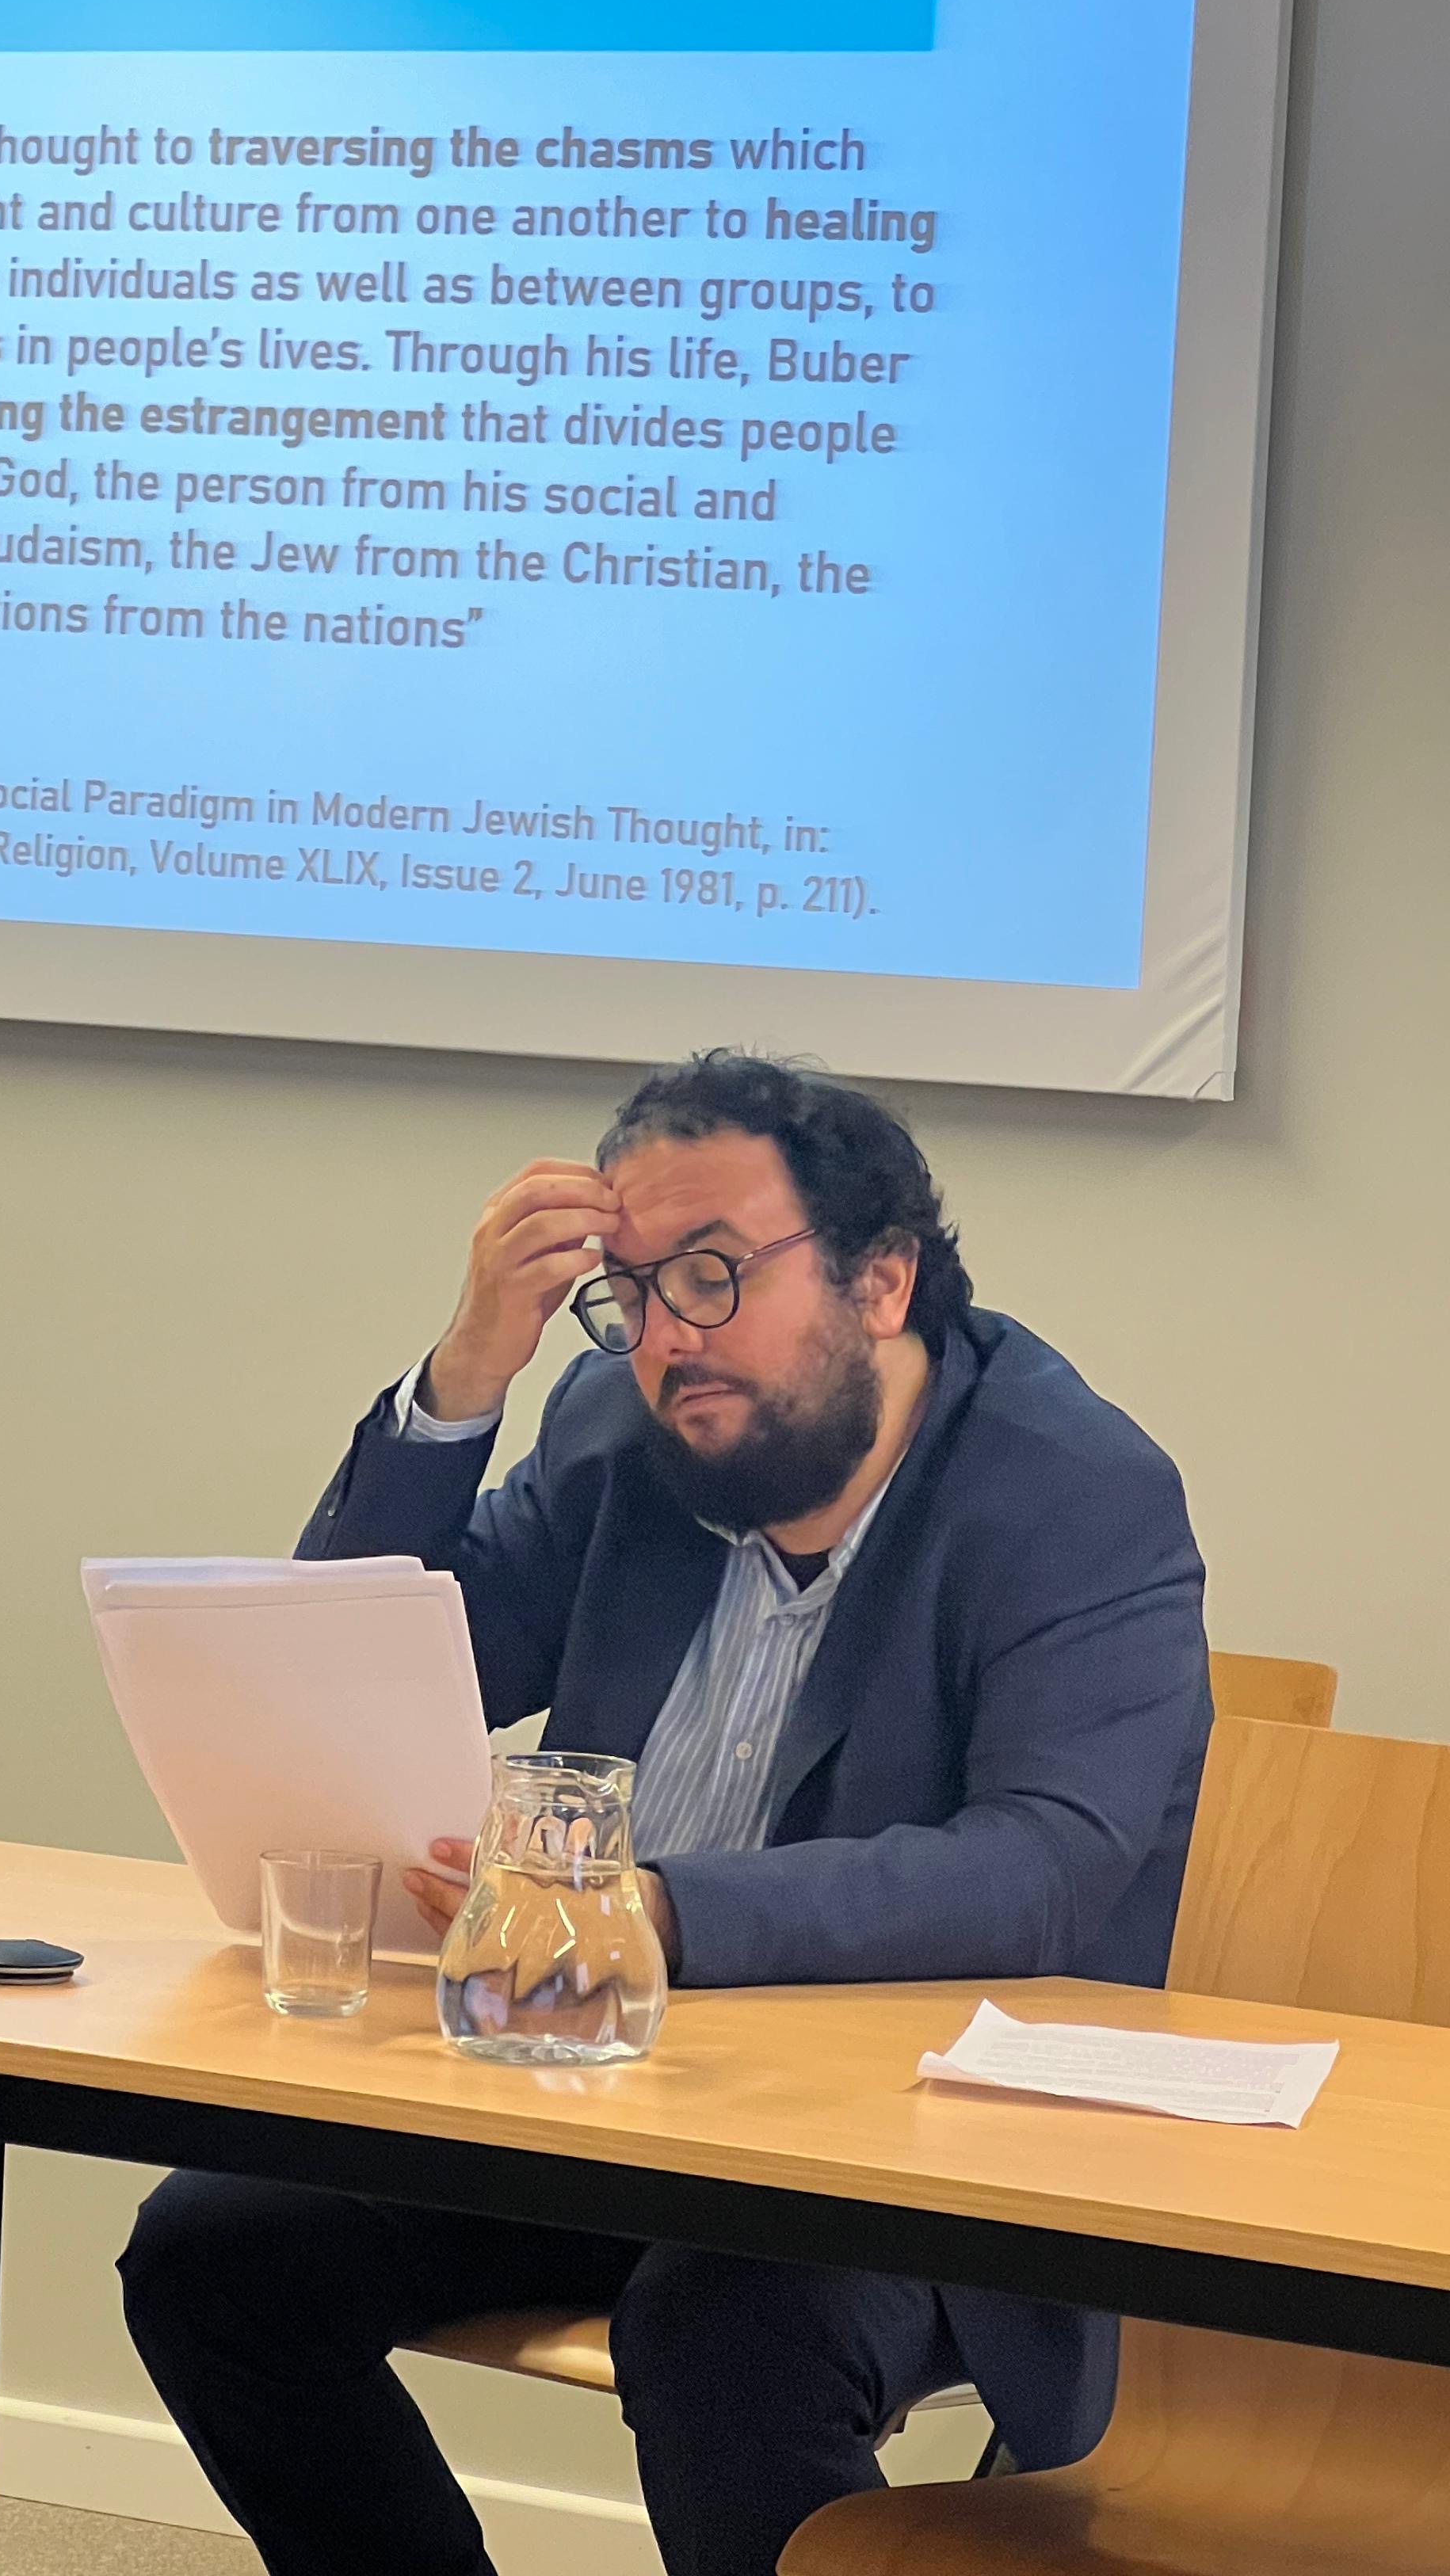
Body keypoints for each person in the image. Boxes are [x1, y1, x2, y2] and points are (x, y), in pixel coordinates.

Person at [120, 1050, 1210, 2576]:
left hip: (904, 2155)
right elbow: (346, 1672)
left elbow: (1045, 1868)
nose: (667, 1339)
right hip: (613, 2092)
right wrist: (467, 1376)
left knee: (724, 2333)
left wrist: (658, 1912)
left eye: (711, 1275)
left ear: (882, 1280)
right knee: (214, 2254)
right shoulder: (623, 1430)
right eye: (627, 1294)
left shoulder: (1070, 1491)